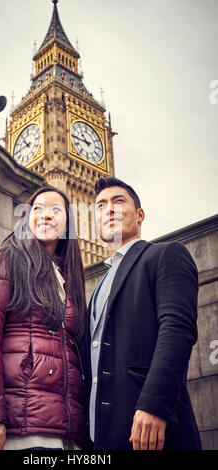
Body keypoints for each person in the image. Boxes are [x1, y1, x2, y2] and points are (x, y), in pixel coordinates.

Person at [0, 187, 87, 450]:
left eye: (56, 210)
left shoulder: (69, 278)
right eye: (38, 209)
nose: (46, 215)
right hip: (12, 430)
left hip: (61, 430)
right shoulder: (4, 259)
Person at [80, 176, 201, 450]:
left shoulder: (165, 255)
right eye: (100, 206)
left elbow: (177, 330)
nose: (108, 209)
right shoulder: (98, 287)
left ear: (139, 214)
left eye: (118, 201)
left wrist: (154, 405)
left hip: (150, 431)